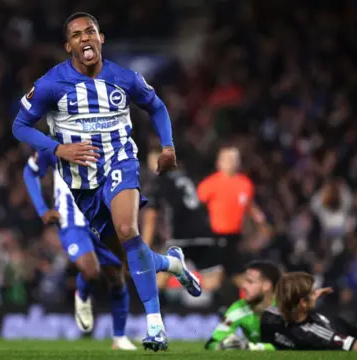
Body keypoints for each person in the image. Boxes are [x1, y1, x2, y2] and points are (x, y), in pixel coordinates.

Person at [11, 12, 201, 351]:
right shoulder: (52, 84)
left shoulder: (124, 78)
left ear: (101, 38)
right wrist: (59, 148)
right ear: (68, 45)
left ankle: (155, 326)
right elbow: (19, 126)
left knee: (128, 231)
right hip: (82, 186)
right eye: (77, 35)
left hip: (120, 162)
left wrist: (169, 146)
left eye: (91, 32)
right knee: (130, 257)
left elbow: (156, 107)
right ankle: (172, 264)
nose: (85, 38)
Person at [23, 150, 198, 349]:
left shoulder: (106, 139)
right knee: (90, 269)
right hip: (72, 223)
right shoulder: (56, 143)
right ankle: (82, 295)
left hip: (101, 221)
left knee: (121, 274)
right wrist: (42, 209)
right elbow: (30, 171)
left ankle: (120, 336)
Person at [261, 272, 357, 351]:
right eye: (312, 293)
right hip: (349, 334)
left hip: (337, 324)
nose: (316, 293)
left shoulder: (270, 315)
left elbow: (285, 296)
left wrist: (310, 296)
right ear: (302, 303)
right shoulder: (313, 332)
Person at [196, 147, 268, 286]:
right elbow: (196, 208)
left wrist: (261, 225)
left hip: (235, 237)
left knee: (235, 274)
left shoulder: (245, 184)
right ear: (219, 162)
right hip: (215, 236)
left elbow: (249, 207)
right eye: (227, 159)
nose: (230, 162)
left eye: (234, 159)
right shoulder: (209, 184)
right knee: (219, 275)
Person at [141, 149, 212, 289]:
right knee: (210, 280)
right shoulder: (189, 177)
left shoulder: (158, 182)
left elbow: (150, 219)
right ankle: (214, 309)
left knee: (156, 281)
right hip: (203, 234)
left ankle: (155, 310)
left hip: (178, 237)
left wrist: (143, 250)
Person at [205, 261, 281, 350]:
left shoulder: (287, 308)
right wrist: (224, 346)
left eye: (250, 282)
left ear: (266, 286)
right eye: (244, 281)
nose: (243, 285)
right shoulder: (239, 309)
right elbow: (212, 342)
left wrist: (250, 347)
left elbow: (292, 343)